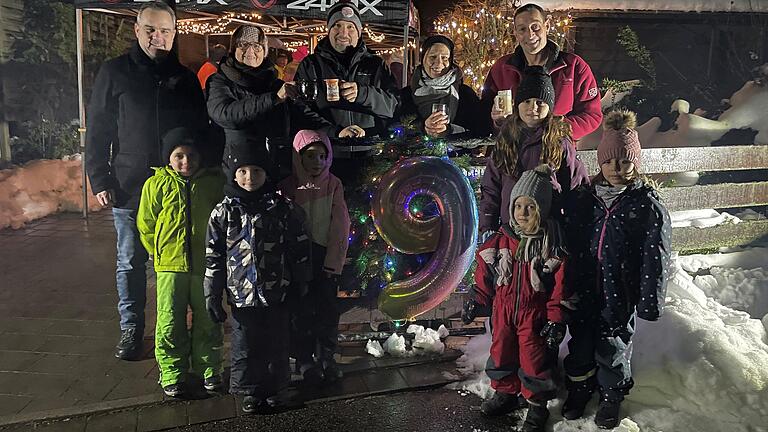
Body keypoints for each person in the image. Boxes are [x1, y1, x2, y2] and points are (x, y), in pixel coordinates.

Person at [85, 1, 208, 361]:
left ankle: (175, 325)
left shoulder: (185, 78)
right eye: (151, 30)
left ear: (174, 33)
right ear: (137, 31)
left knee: (175, 262)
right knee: (130, 260)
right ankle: (131, 328)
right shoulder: (115, 72)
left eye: (166, 30)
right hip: (129, 184)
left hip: (176, 186)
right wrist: (99, 177)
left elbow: (199, 130)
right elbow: (99, 129)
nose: (159, 37)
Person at [561, 110, 671, 429]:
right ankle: (580, 388)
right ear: (600, 163)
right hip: (585, 286)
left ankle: (611, 395)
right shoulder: (587, 199)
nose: (615, 169)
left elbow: (656, 256)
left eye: (623, 161)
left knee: (613, 344)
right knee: (580, 340)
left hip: (619, 290)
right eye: (609, 162)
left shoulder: (646, 205)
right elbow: (572, 241)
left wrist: (649, 301)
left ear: (635, 163)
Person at [204, 144, 311, 414]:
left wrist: (301, 280)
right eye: (242, 171)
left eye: (256, 171)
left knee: (277, 343)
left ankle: (276, 388)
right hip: (241, 294)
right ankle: (250, 391)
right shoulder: (223, 212)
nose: (249, 177)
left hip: (277, 290)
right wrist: (212, 294)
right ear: (233, 174)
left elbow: (298, 246)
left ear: (267, 173)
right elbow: (214, 256)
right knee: (245, 345)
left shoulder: (281, 208)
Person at [463, 165, 570, 432]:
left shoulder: (549, 244)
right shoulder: (500, 241)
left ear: (542, 209)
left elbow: (560, 286)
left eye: (530, 207)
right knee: (501, 352)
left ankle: (536, 405)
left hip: (533, 315)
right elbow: (484, 273)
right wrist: (477, 298)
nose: (522, 213)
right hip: (503, 311)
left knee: (534, 359)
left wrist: (556, 319)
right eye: (518, 206)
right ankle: (506, 393)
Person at [136, 127, 224, 397]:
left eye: (191, 155)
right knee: (170, 320)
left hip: (205, 265)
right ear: (169, 157)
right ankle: (173, 370)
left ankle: (208, 367)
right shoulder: (156, 184)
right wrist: (157, 251)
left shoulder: (213, 182)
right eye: (179, 156)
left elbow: (221, 219)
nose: (186, 161)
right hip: (170, 267)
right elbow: (146, 223)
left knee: (208, 318)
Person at [294, 0, 399, 180]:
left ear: (359, 32)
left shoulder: (375, 64)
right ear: (328, 30)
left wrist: (363, 94)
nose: (343, 33)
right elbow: (300, 110)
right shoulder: (311, 65)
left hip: (372, 157)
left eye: (350, 27)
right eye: (337, 26)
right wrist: (335, 132)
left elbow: (393, 106)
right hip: (325, 159)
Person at [479, 66, 588, 238]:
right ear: (518, 104)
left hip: (548, 232)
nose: (533, 108)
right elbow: (491, 189)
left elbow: (576, 186)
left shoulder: (559, 142)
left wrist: (573, 227)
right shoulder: (506, 141)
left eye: (540, 102)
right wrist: (488, 227)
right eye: (527, 101)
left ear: (549, 107)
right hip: (511, 231)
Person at [207, 25, 330, 177]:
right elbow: (225, 114)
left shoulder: (274, 83)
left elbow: (302, 114)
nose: (250, 51)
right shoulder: (219, 81)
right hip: (240, 172)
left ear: (264, 52)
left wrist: (336, 130)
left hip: (276, 167)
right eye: (243, 45)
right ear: (234, 49)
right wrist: (274, 98)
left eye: (257, 46)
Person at [278, 130, 351, 385]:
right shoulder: (288, 187)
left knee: (327, 311)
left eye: (322, 156)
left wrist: (334, 261)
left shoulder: (333, 185)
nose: (317, 162)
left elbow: (340, 226)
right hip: (298, 258)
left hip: (324, 257)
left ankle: (326, 357)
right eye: (310, 156)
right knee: (301, 311)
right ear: (299, 157)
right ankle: (305, 359)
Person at [482, 3, 602, 140]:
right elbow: (484, 112)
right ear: (515, 32)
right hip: (513, 153)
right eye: (522, 29)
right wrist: (498, 122)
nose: (530, 34)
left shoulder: (574, 66)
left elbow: (592, 115)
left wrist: (557, 130)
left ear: (547, 26)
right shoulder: (502, 67)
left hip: (556, 152)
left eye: (535, 27)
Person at [398, 35, 491, 138]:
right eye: (432, 57)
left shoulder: (465, 94)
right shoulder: (406, 95)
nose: (438, 64)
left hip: (457, 154)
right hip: (413, 154)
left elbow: (481, 131)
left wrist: (449, 130)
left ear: (450, 60)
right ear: (423, 58)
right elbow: (394, 129)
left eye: (444, 58)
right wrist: (423, 127)